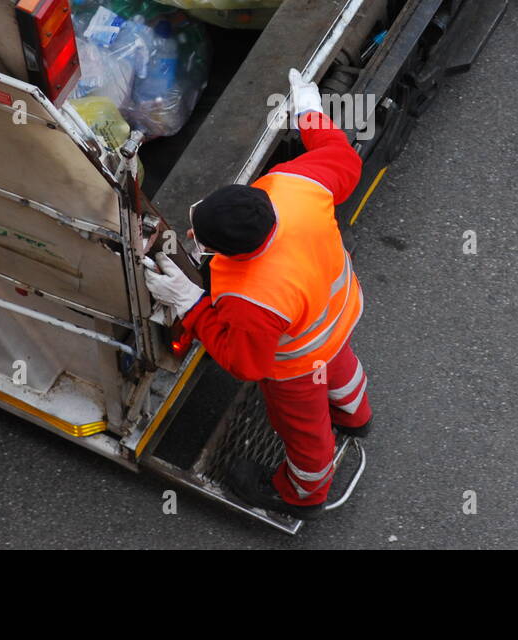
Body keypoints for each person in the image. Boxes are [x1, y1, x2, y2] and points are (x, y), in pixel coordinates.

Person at [144, 69, 372, 518]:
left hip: (298, 363)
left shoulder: (253, 295)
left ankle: (302, 494)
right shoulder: (293, 186)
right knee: (341, 364)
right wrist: (309, 112)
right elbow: (340, 155)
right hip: (335, 314)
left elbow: (245, 362)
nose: (192, 233)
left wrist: (189, 303)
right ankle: (355, 414)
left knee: (305, 431)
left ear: (235, 252)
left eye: (202, 237)